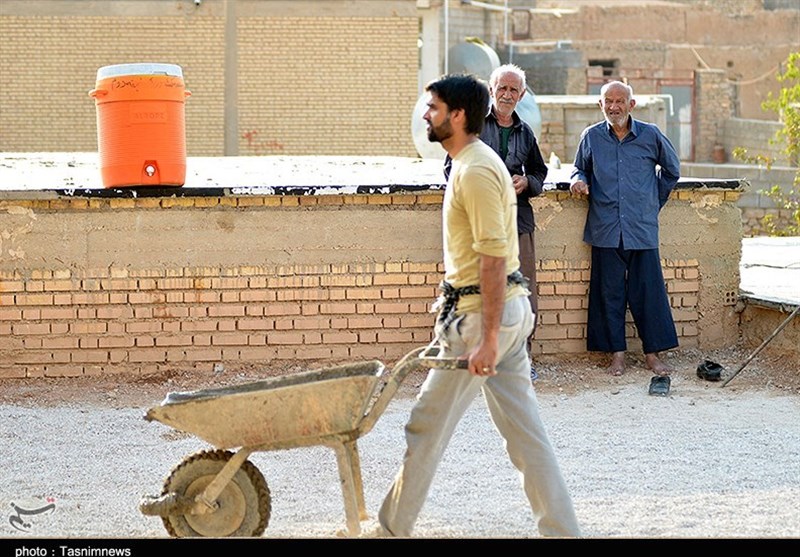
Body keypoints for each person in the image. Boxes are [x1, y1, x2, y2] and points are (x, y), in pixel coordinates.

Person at [373, 73, 581, 538]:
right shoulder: (472, 162)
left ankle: (389, 531)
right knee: (527, 439)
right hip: (495, 315)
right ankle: (563, 532)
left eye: (434, 107)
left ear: (459, 115)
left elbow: (492, 257)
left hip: (480, 321)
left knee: (425, 427)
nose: (427, 115)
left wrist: (486, 339)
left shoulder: (477, 170)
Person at [569, 80, 680, 396]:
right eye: (608, 101)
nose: (614, 106)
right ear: (600, 105)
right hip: (605, 227)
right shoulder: (591, 137)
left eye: (620, 101)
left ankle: (652, 355)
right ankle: (616, 354)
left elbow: (671, 172)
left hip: (641, 228)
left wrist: (651, 202)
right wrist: (578, 181)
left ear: (632, 105)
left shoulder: (651, 135)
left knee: (649, 292)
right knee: (609, 293)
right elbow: (579, 169)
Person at [444, 63, 549, 380]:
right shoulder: (472, 125)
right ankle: (473, 357)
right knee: (475, 290)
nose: (507, 94)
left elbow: (539, 174)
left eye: (513, 89)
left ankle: (520, 360)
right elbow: (451, 170)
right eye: (501, 88)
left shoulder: (525, 132)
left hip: (518, 223)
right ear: (491, 90)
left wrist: (526, 182)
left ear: (522, 95)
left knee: (522, 293)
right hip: (478, 226)